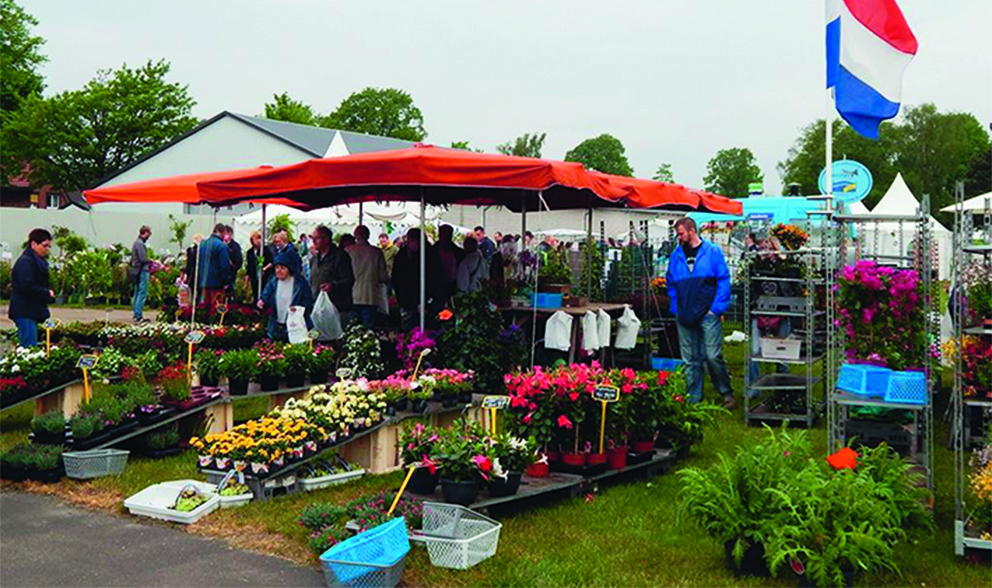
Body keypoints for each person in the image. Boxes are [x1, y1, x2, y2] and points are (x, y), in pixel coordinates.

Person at [666, 217, 735, 408]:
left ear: (691, 230)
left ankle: (726, 392)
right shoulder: (676, 255)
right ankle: (693, 398)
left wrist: (716, 309)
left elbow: (723, 279)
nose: (678, 237)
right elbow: (670, 282)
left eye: (680, 233)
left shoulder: (712, 252)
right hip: (684, 312)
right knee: (690, 360)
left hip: (707, 312)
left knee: (712, 356)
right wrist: (675, 307)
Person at [9, 228, 54, 347]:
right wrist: (46, 293)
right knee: (29, 346)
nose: (47, 250)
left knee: (31, 344)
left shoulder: (36, 261)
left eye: (48, 246)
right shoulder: (26, 263)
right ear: (33, 244)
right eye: (44, 246)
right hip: (25, 311)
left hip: (32, 310)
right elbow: (27, 287)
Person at [392, 227, 442, 330]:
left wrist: (428, 300)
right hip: (406, 299)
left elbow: (435, 278)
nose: (411, 243)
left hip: (426, 300)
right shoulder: (402, 254)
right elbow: (396, 276)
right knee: (408, 328)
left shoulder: (429, 254)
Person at [258, 251, 313, 341]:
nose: (279, 271)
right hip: (276, 323)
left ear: (290, 269)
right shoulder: (273, 281)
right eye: (277, 267)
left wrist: (298, 308)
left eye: (283, 268)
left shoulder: (300, 283)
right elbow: (266, 294)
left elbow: (308, 300)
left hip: (295, 326)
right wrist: (262, 301)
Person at [309, 225, 354, 323]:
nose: (313, 241)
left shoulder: (340, 256)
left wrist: (333, 285)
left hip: (337, 307)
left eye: (316, 238)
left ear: (326, 239)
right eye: (312, 238)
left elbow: (349, 280)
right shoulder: (314, 259)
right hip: (318, 307)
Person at [346, 225, 389, 327]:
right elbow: (383, 275)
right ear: (368, 236)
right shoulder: (376, 252)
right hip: (371, 295)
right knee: (368, 330)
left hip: (352, 295)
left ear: (355, 236)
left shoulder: (348, 251)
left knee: (352, 328)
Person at [198, 223, 231, 309]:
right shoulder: (222, 246)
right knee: (217, 308)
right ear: (222, 232)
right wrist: (226, 281)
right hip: (217, 282)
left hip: (203, 281)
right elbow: (224, 266)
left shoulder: (202, 244)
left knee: (206, 308)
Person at [432, 224, 464, 303]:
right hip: (437, 286)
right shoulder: (431, 252)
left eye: (448, 235)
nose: (445, 237)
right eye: (443, 234)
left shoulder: (458, 252)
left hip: (453, 285)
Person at [129, 225, 153, 323]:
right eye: (149, 234)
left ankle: (136, 314)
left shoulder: (136, 243)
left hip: (136, 270)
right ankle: (138, 315)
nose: (149, 236)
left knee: (137, 292)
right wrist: (152, 261)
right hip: (142, 270)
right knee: (142, 292)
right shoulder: (140, 244)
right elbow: (143, 258)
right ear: (145, 233)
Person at [245, 231, 272, 303]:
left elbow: (271, 262)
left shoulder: (265, 250)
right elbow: (249, 265)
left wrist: (264, 269)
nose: (258, 241)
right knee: (255, 293)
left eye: (260, 238)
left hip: (264, 277)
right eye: (256, 239)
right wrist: (247, 277)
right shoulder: (250, 252)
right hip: (254, 277)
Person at [222, 225, 243, 296]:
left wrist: (233, 267)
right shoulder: (220, 244)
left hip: (231, 272)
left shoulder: (235, 246)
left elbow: (239, 260)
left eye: (226, 233)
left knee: (230, 291)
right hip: (221, 273)